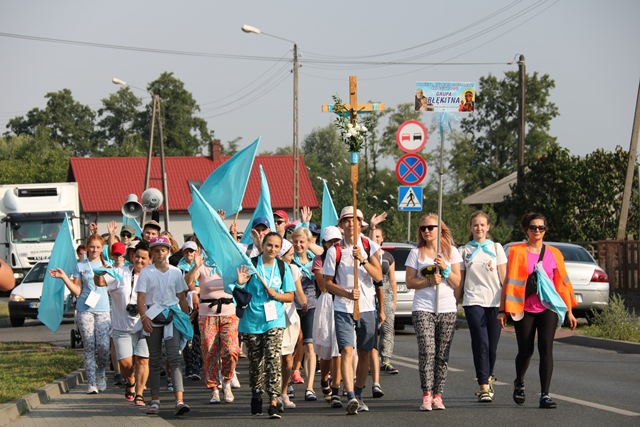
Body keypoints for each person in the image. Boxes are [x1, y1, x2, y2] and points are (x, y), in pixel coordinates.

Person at [499, 212, 578, 409]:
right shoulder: (516, 251)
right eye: (533, 227)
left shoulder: (554, 253)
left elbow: (562, 284)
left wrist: (569, 311)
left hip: (548, 307)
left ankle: (545, 395)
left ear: (545, 230)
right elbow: (508, 282)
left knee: (546, 348)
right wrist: (502, 310)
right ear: (526, 230)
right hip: (523, 307)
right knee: (526, 350)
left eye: (541, 228)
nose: (537, 231)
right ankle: (519, 382)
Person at [323, 206, 383, 415]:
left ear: (361, 225)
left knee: (365, 352)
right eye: (347, 220)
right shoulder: (334, 251)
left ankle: (359, 393)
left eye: (355, 220)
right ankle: (350, 396)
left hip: (367, 307)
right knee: (347, 350)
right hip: (343, 307)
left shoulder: (369, 245)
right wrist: (347, 294)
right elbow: (328, 283)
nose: (351, 224)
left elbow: (378, 276)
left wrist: (363, 260)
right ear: (341, 225)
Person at [230, 232, 295, 419]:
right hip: (252, 320)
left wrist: (277, 295)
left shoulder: (282, 267)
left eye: (276, 246)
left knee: (273, 359)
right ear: (263, 245)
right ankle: (257, 393)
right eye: (269, 245)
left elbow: (290, 296)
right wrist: (239, 284)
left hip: (274, 319)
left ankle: (274, 400)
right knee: (256, 362)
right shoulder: (251, 265)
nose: (272, 249)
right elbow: (238, 292)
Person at [405, 213, 462, 411]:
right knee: (427, 351)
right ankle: (427, 393)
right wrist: (428, 281)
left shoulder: (451, 252)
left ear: (440, 229)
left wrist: (445, 269)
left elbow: (456, 282)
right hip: (423, 307)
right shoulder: (416, 253)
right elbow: (410, 281)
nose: (426, 231)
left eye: (430, 227)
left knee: (441, 354)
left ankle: (438, 394)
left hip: (446, 308)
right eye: (423, 228)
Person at [137, 236, 193, 416]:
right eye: (156, 250)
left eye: (163, 250)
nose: (160, 253)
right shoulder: (146, 272)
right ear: (151, 253)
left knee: (174, 358)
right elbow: (140, 298)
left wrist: (186, 318)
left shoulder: (176, 272)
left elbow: (182, 297)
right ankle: (155, 400)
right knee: (154, 359)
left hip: (171, 315)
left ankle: (179, 400)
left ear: (168, 251)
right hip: (153, 316)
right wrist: (144, 317)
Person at [48, 234, 112, 394]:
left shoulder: (107, 265)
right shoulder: (80, 266)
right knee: (89, 345)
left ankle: (101, 373)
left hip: (103, 309)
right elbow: (77, 290)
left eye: (98, 247)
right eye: (92, 247)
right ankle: (91, 383)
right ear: (87, 247)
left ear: (102, 249)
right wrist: (64, 277)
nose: (94, 250)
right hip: (85, 309)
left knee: (103, 346)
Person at [458, 211, 507, 402]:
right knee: (481, 343)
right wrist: (454, 304)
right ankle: (483, 385)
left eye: (482, 225)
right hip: (473, 300)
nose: (479, 228)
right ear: (471, 227)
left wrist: (505, 306)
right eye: (475, 225)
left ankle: (489, 375)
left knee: (492, 347)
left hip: (494, 302)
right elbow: (460, 281)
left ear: (488, 227)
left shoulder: (496, 248)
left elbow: (504, 279)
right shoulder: (464, 250)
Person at [95, 241, 152, 406]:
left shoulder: (154, 276)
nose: (139, 260)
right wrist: (98, 273)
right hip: (122, 327)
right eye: (137, 256)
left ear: (150, 260)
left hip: (144, 326)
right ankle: (131, 380)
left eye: (143, 258)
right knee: (126, 364)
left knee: (143, 360)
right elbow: (100, 282)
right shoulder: (120, 273)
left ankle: (139, 394)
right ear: (132, 256)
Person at [185, 247, 240, 405]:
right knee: (209, 350)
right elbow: (187, 282)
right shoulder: (202, 265)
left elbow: (243, 280)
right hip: (207, 313)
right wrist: (195, 267)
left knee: (231, 350)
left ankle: (227, 381)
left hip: (229, 312)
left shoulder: (229, 265)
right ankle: (214, 388)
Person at [313, 226, 343, 408]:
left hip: (342, 301)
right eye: (330, 241)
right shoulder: (319, 259)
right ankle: (324, 379)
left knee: (339, 349)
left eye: (336, 241)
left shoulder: (345, 256)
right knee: (326, 349)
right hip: (327, 302)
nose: (333, 244)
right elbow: (323, 285)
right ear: (324, 243)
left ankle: (336, 389)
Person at [290, 227, 320, 402]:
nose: (299, 245)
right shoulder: (288, 260)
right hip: (291, 306)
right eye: (295, 242)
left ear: (309, 243)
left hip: (311, 306)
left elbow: (323, 252)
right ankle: (287, 384)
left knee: (309, 346)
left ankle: (309, 388)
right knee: (290, 347)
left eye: (302, 242)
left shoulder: (315, 260)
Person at [277, 238, 307, 409]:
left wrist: (304, 302)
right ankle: (274, 394)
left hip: (289, 316)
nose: (292, 258)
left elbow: (298, 291)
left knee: (287, 358)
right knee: (273, 357)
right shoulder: (270, 269)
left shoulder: (293, 268)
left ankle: (284, 392)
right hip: (272, 316)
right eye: (289, 255)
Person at [369, 217, 400, 378]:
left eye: (378, 237)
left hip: (386, 292)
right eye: (374, 236)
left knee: (387, 328)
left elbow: (392, 279)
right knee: (370, 329)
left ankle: (386, 360)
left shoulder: (388, 256)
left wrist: (394, 300)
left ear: (382, 238)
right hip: (370, 292)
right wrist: (372, 226)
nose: (376, 239)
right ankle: (369, 360)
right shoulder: (368, 254)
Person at [178, 240, 204, 381]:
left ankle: (198, 362)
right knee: (188, 335)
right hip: (185, 305)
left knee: (199, 335)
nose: (189, 253)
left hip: (202, 304)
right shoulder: (179, 268)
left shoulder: (203, 265)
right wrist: (193, 292)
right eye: (186, 251)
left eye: (192, 251)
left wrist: (197, 291)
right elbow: (184, 284)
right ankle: (190, 366)